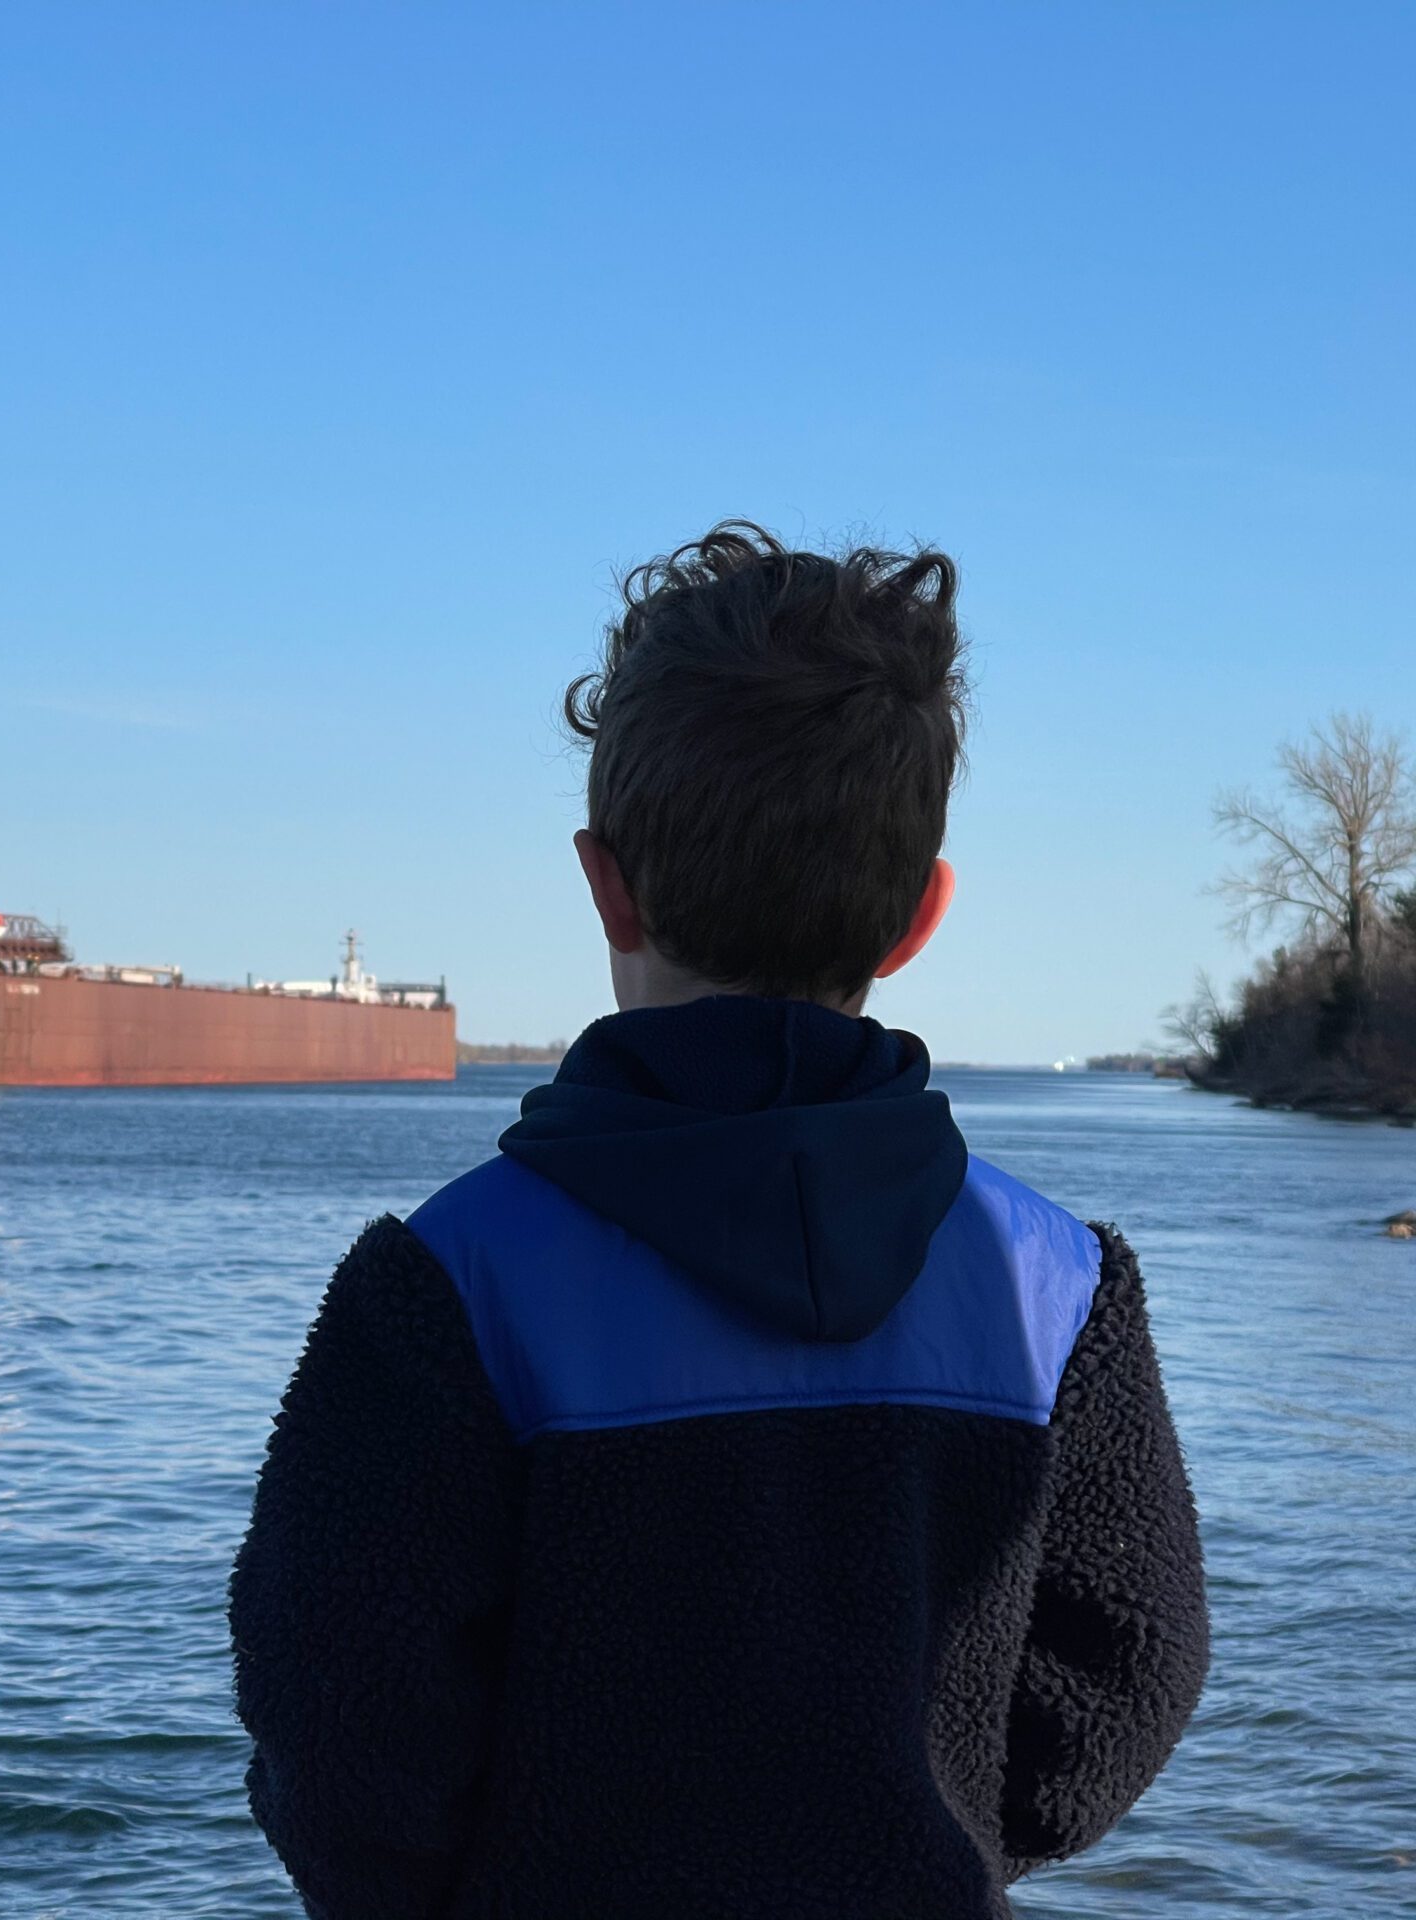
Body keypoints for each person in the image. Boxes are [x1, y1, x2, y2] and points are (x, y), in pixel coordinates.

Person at [228, 523, 1209, 1919]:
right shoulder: (1058, 1291)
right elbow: (1131, 1672)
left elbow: (339, 1725)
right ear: (918, 917)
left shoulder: (445, 1285)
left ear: (604, 881)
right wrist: (933, 1835)